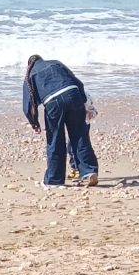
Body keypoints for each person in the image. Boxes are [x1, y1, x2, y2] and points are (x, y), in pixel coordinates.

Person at [23, 53, 99, 187]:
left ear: (29, 64)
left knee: (55, 140)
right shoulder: (56, 63)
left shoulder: (31, 74)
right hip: (74, 94)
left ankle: (54, 179)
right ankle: (89, 171)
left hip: (53, 102)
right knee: (80, 135)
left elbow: (28, 104)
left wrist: (34, 122)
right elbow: (77, 82)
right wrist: (84, 102)